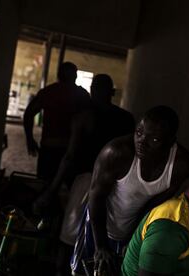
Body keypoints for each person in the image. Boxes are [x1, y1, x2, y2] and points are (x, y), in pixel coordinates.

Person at [71, 106, 189, 275]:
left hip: (135, 227)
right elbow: (96, 197)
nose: (141, 142)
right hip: (99, 221)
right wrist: (100, 246)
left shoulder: (181, 165)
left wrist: (134, 237)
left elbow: (154, 207)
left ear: (170, 141)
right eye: (139, 132)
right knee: (85, 270)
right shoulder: (116, 153)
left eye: (154, 139)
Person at [31, 74, 135, 276]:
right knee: (105, 236)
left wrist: (52, 189)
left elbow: (70, 156)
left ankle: (62, 270)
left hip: (87, 182)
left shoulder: (84, 116)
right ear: (112, 93)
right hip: (118, 184)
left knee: (69, 236)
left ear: (92, 91)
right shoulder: (126, 119)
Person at [23, 62, 90, 182]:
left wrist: (29, 138)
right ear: (75, 76)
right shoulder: (82, 95)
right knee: (70, 191)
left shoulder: (48, 92)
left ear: (58, 75)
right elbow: (90, 123)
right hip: (73, 151)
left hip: (49, 150)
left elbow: (29, 113)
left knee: (44, 185)